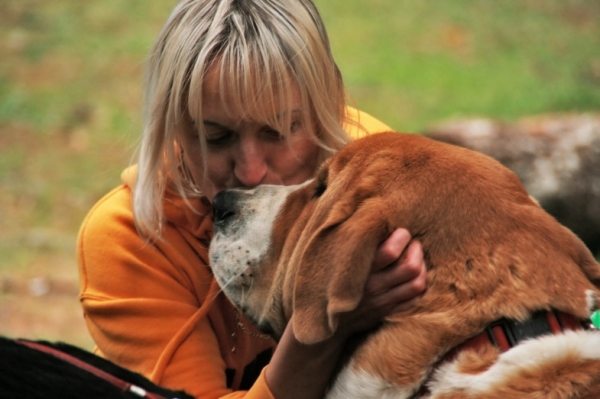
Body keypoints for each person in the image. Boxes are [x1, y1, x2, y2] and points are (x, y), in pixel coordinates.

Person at [77, 1, 427, 398]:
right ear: (171, 121)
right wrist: (324, 326)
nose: (250, 171)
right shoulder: (130, 238)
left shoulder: (378, 177)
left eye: (278, 131)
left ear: (325, 106)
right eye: (216, 137)